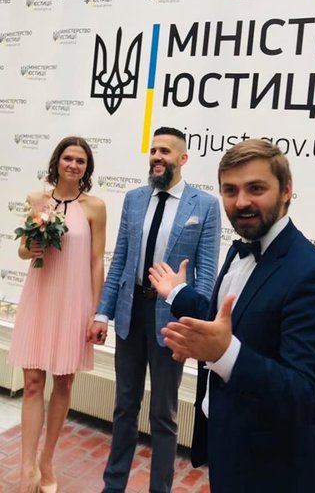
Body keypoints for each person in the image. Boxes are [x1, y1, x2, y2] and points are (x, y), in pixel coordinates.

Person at [149, 138, 315, 493]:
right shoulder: (238, 251)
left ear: (286, 190)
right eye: (230, 190)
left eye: (256, 188)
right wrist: (178, 293)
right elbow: (230, 322)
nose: (241, 202)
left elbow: (306, 396)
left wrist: (223, 354)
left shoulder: (314, 275)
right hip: (227, 450)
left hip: (275, 471)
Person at [89, 126, 220, 493]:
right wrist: (102, 313)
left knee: (164, 415)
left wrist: (192, 325)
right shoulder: (133, 199)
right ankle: (113, 485)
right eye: (154, 150)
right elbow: (119, 262)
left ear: (183, 158)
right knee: (124, 408)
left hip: (171, 322)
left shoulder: (204, 206)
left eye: (166, 151)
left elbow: (206, 274)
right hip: (130, 315)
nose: (157, 157)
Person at [8, 136, 106, 493]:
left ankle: (47, 460)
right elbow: (23, 250)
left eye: (81, 160)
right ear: (57, 162)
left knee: (63, 383)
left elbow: (96, 261)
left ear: (87, 168)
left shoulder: (95, 207)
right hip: (40, 298)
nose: (73, 165)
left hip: (74, 304)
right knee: (33, 383)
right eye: (68, 158)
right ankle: (26, 469)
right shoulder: (37, 200)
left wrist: (97, 312)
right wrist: (30, 247)